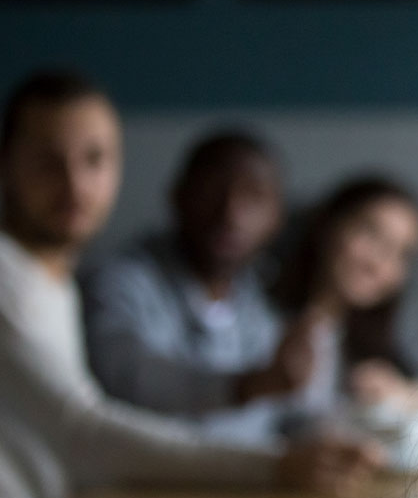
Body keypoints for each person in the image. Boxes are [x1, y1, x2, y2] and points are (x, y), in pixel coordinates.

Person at [0, 70, 381, 498]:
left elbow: (293, 413)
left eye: (94, 160)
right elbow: (87, 427)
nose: (75, 185)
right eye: (45, 161)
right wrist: (273, 465)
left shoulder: (48, 282)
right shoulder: (29, 281)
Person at [82, 130, 309, 443]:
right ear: (178, 195)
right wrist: (247, 386)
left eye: (254, 196)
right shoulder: (121, 280)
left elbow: (292, 416)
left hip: (253, 487)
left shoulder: (261, 300)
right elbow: (127, 376)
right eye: (212, 190)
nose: (231, 214)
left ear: (277, 218)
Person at [273, 175, 418, 459]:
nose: (378, 263)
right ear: (328, 225)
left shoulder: (391, 338)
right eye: (370, 233)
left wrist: (407, 394)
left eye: (402, 253)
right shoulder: (261, 321)